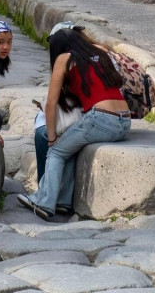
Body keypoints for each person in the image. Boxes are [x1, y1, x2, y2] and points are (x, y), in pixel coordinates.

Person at [18, 23, 130, 219]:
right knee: (68, 148)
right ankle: (63, 202)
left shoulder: (64, 58)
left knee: (56, 151)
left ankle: (43, 202)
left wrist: (52, 138)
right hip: (124, 121)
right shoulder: (102, 53)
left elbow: (51, 104)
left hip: (101, 119)